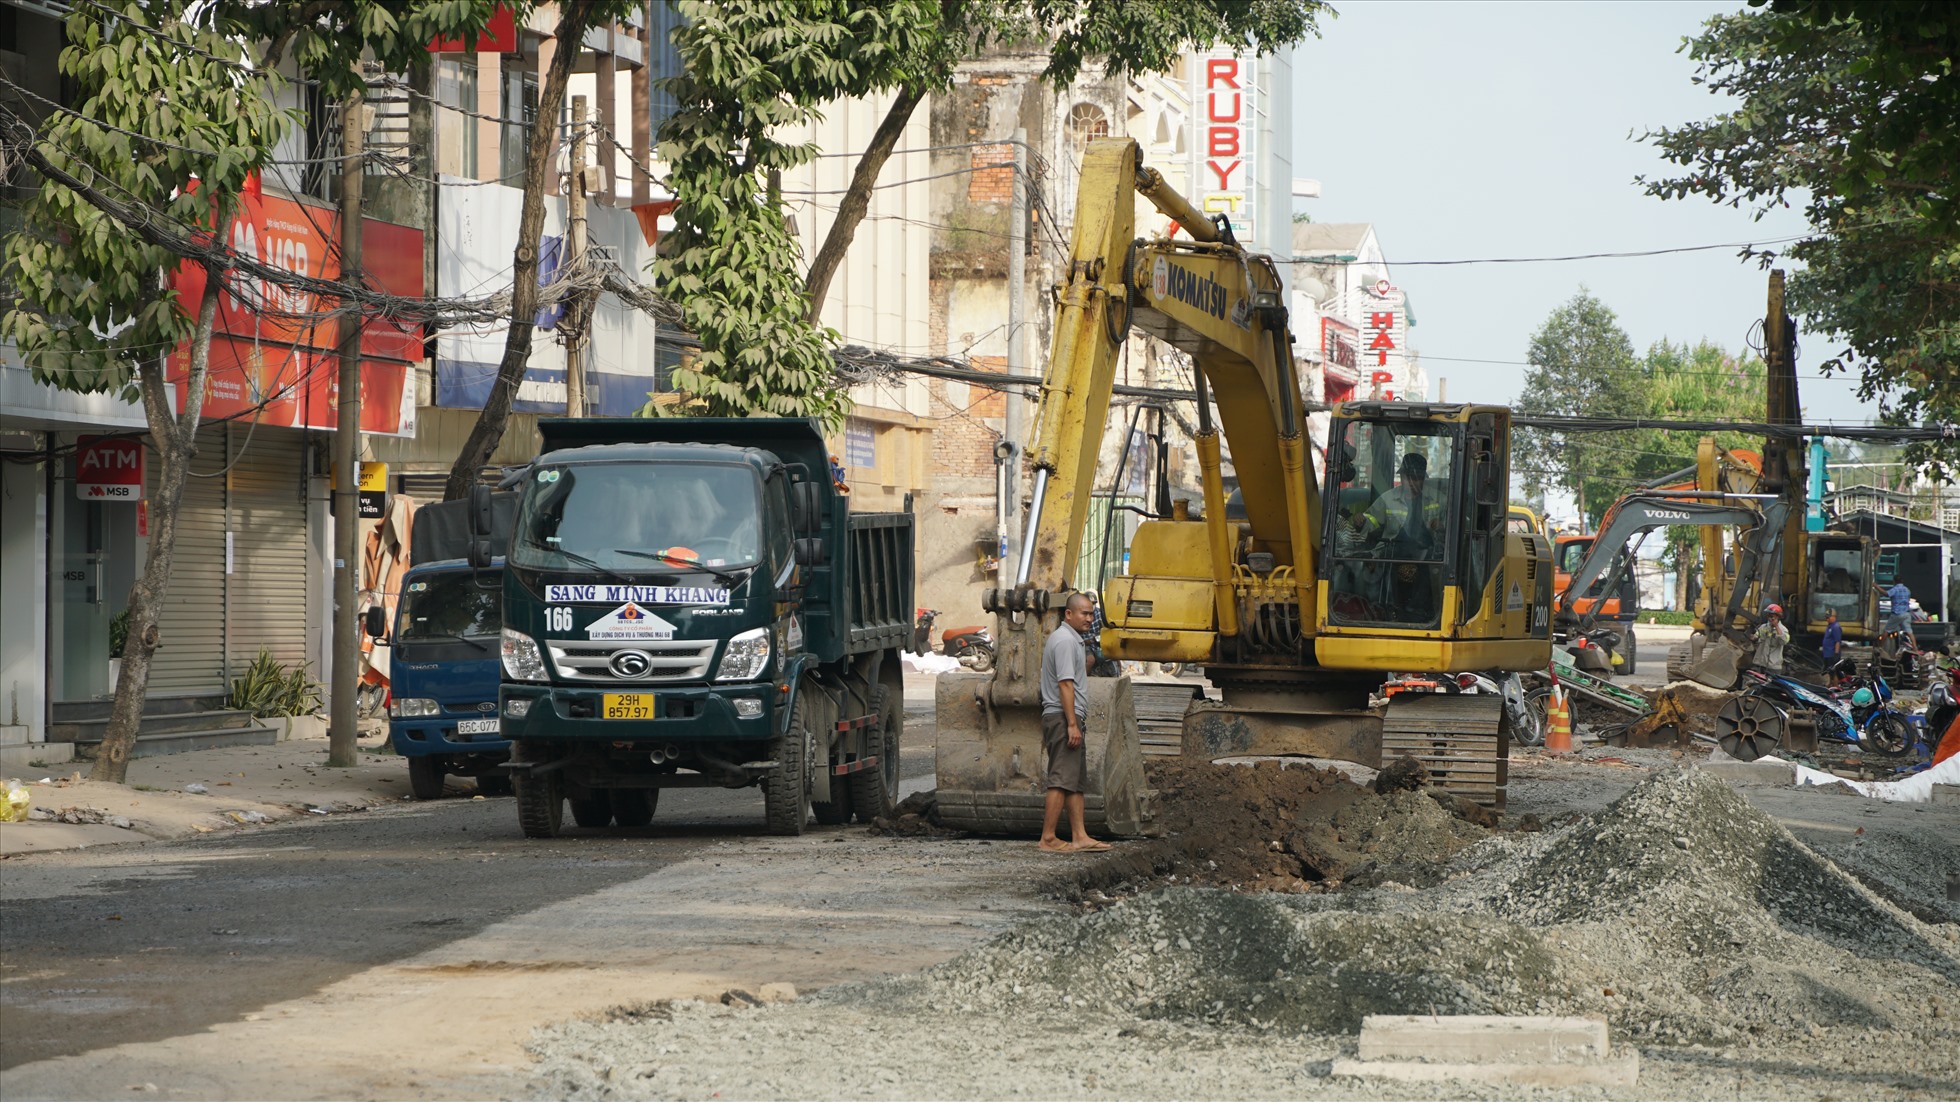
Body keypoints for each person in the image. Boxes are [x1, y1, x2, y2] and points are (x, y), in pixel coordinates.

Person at [1038, 592, 1109, 854]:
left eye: (1091, 613)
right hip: (1062, 716)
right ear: (1069, 614)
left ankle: (1080, 836)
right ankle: (1048, 838)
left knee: (1075, 780)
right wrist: (1071, 724)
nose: (1089, 618)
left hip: (1068, 715)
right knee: (1060, 778)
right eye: (1084, 613)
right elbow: (1065, 684)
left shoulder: (1072, 640)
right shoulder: (1066, 641)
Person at [1352, 451, 1444, 558]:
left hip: (1429, 556)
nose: (1410, 482)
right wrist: (1362, 522)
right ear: (1400, 476)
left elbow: (1459, 526)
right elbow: (1372, 519)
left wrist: (1442, 526)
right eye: (1406, 477)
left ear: (1423, 478)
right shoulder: (1388, 499)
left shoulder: (1439, 499)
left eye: (1415, 478)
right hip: (1391, 555)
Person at [1752, 603, 1789, 673]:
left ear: (1778, 617)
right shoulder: (1763, 627)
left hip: (1773, 666)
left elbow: (1784, 641)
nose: (1770, 618)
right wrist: (1754, 637)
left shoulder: (1783, 630)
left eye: (1772, 616)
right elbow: (1757, 636)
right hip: (1759, 664)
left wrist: (1776, 627)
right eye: (1768, 616)